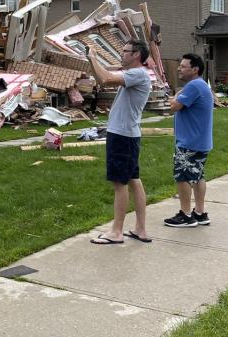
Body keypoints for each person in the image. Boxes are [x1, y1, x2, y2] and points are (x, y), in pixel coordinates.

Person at [87, 39, 151, 244]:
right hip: (129, 135)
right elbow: (104, 76)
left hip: (122, 135)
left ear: (136, 55)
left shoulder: (137, 74)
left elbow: (105, 79)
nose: (121, 54)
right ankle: (140, 229)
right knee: (133, 180)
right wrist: (94, 63)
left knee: (119, 183)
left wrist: (92, 57)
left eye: (125, 51)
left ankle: (116, 232)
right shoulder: (137, 74)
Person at [163, 53, 214, 227]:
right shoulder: (200, 85)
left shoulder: (193, 86)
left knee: (183, 176)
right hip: (201, 141)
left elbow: (174, 106)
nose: (179, 68)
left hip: (190, 142)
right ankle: (199, 213)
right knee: (198, 176)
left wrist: (175, 97)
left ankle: (185, 215)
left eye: (183, 66)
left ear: (195, 69)